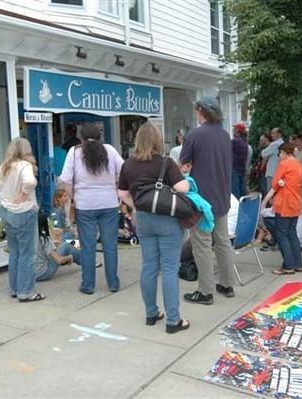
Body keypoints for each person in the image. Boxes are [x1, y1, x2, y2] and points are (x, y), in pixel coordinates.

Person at [118, 122, 190, 334]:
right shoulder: (165, 163)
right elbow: (182, 188)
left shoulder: (128, 164)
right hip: (167, 219)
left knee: (149, 266)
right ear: (158, 140)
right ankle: (173, 320)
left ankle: (151, 313)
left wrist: (138, 206)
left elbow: (122, 194)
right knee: (169, 268)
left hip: (144, 219)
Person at [179, 95, 236, 305]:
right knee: (222, 242)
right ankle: (227, 284)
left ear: (201, 111)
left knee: (201, 244)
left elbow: (183, 163)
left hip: (201, 200)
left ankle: (205, 291)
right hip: (221, 196)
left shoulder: (195, 135)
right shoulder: (224, 134)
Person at [60, 123, 123, 295]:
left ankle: (88, 285)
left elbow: (66, 181)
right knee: (110, 245)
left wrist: (73, 199)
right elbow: (123, 171)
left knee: (87, 247)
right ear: (100, 136)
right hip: (109, 204)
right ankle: (113, 283)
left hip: (85, 205)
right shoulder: (110, 150)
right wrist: (116, 187)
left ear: (81, 138)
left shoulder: (74, 152)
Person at [0, 137, 44, 302]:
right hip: (24, 212)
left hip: (7, 212)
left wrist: (6, 200)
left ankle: (14, 288)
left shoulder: (3, 167)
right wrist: (23, 194)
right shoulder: (25, 165)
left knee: (14, 252)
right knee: (27, 254)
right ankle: (26, 291)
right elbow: (30, 181)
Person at [268, 143, 302, 275]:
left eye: (280, 153)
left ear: (284, 152)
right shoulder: (299, 165)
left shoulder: (284, 164)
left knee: (282, 234)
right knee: (292, 233)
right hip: (296, 202)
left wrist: (279, 184)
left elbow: (274, 183)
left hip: (284, 203)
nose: (279, 156)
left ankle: (288, 265)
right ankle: (297, 264)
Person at [34, 211, 82, 281]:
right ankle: (86, 261)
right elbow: (59, 260)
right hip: (44, 273)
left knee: (65, 243)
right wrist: (70, 257)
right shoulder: (44, 240)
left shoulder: (29, 238)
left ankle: (81, 252)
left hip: (31, 273)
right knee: (66, 245)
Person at [231, 123, 249, 199]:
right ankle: (244, 209)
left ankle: (236, 209)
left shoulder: (234, 142)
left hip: (234, 169)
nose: (233, 131)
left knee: (235, 193)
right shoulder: (245, 143)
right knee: (242, 191)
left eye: (234, 129)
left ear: (237, 131)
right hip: (242, 169)